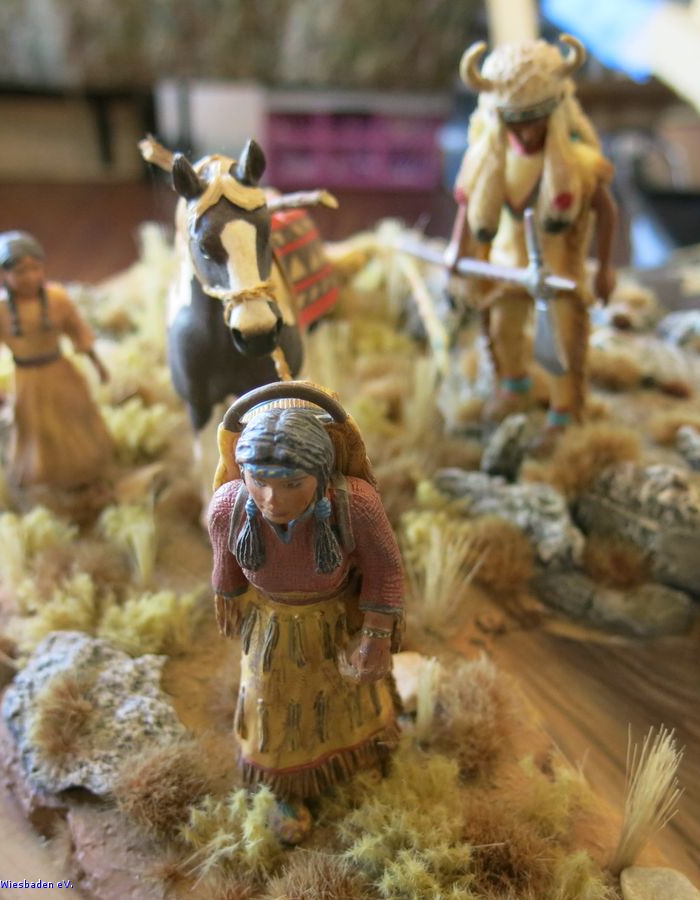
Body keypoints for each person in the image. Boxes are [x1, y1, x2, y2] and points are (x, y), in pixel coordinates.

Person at [207, 393, 404, 843]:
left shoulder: (356, 505)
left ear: (321, 472)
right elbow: (225, 564)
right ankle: (285, 790)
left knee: (350, 697)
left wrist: (375, 636)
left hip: (337, 621)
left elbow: (386, 568)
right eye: (259, 480)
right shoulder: (228, 506)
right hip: (272, 632)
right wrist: (228, 597)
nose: (272, 499)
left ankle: (359, 760)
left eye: (292, 483)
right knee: (275, 704)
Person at [451, 35, 618, 430]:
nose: (527, 134)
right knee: (502, 331)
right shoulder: (487, 162)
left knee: (562, 345)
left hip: (558, 275)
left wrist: (605, 268)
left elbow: (607, 210)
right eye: (518, 123)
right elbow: (468, 206)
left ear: (555, 114)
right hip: (505, 270)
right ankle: (513, 388)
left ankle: (564, 412)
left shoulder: (579, 165)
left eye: (536, 122)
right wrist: (458, 250)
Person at [0, 231, 114, 491]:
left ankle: (87, 472)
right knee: (36, 427)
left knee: (76, 415)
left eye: (35, 268)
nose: (31, 277)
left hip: (60, 371)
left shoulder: (57, 298)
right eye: (21, 272)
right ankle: (47, 480)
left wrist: (98, 364)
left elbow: (78, 331)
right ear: (0, 272)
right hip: (27, 380)